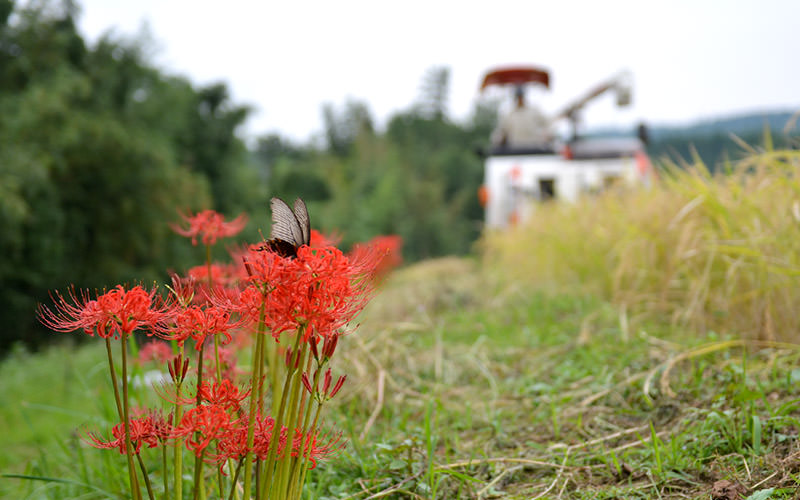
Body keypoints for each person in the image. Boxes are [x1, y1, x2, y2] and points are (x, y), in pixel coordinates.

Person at [491, 86, 553, 150]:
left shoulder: (534, 111)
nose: (520, 99)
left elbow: (547, 123)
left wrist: (547, 133)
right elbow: (501, 131)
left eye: (521, 96)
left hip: (534, 148)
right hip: (514, 149)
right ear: (515, 98)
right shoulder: (509, 114)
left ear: (524, 97)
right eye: (518, 96)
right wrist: (498, 138)